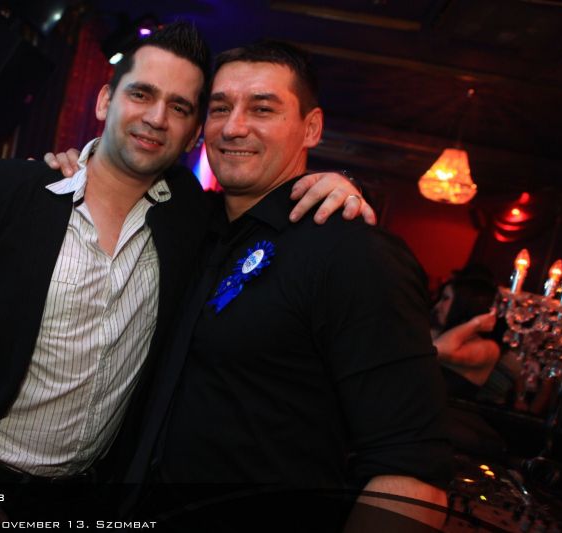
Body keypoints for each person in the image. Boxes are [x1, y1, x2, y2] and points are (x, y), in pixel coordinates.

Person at [0, 22, 367, 509]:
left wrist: (337, 182)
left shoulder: (192, 218)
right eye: (142, 94)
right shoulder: (9, 190)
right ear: (105, 101)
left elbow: (266, 200)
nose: (156, 118)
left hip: (94, 495)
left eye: (179, 107)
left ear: (192, 135)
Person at [119, 41, 451, 529]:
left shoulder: (354, 254)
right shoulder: (191, 225)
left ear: (311, 128)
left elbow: (411, 471)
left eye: (262, 109)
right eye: (220, 108)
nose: (234, 127)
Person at [430, 267, 501, 400]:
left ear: (464, 304)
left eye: (445, 299)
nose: (437, 306)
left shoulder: (489, 348)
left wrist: (476, 323)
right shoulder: (439, 332)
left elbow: (438, 349)